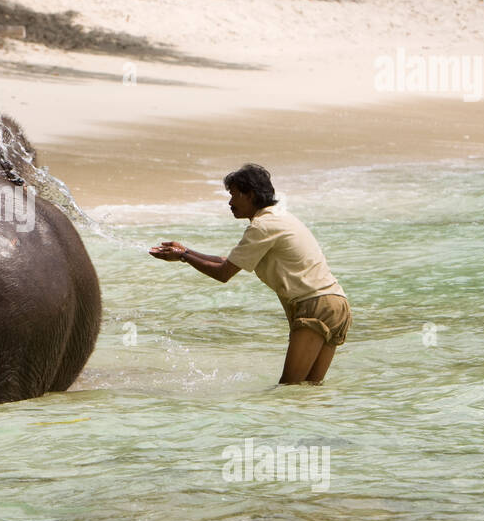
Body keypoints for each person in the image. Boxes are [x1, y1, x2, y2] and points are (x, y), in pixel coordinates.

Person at [148, 163, 351, 385]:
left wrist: (184, 256)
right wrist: (185, 252)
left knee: (288, 390)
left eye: (234, 195)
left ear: (250, 195)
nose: (230, 203)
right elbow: (229, 262)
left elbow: (223, 273)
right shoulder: (280, 218)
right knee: (309, 390)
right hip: (336, 304)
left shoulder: (262, 226)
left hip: (314, 306)